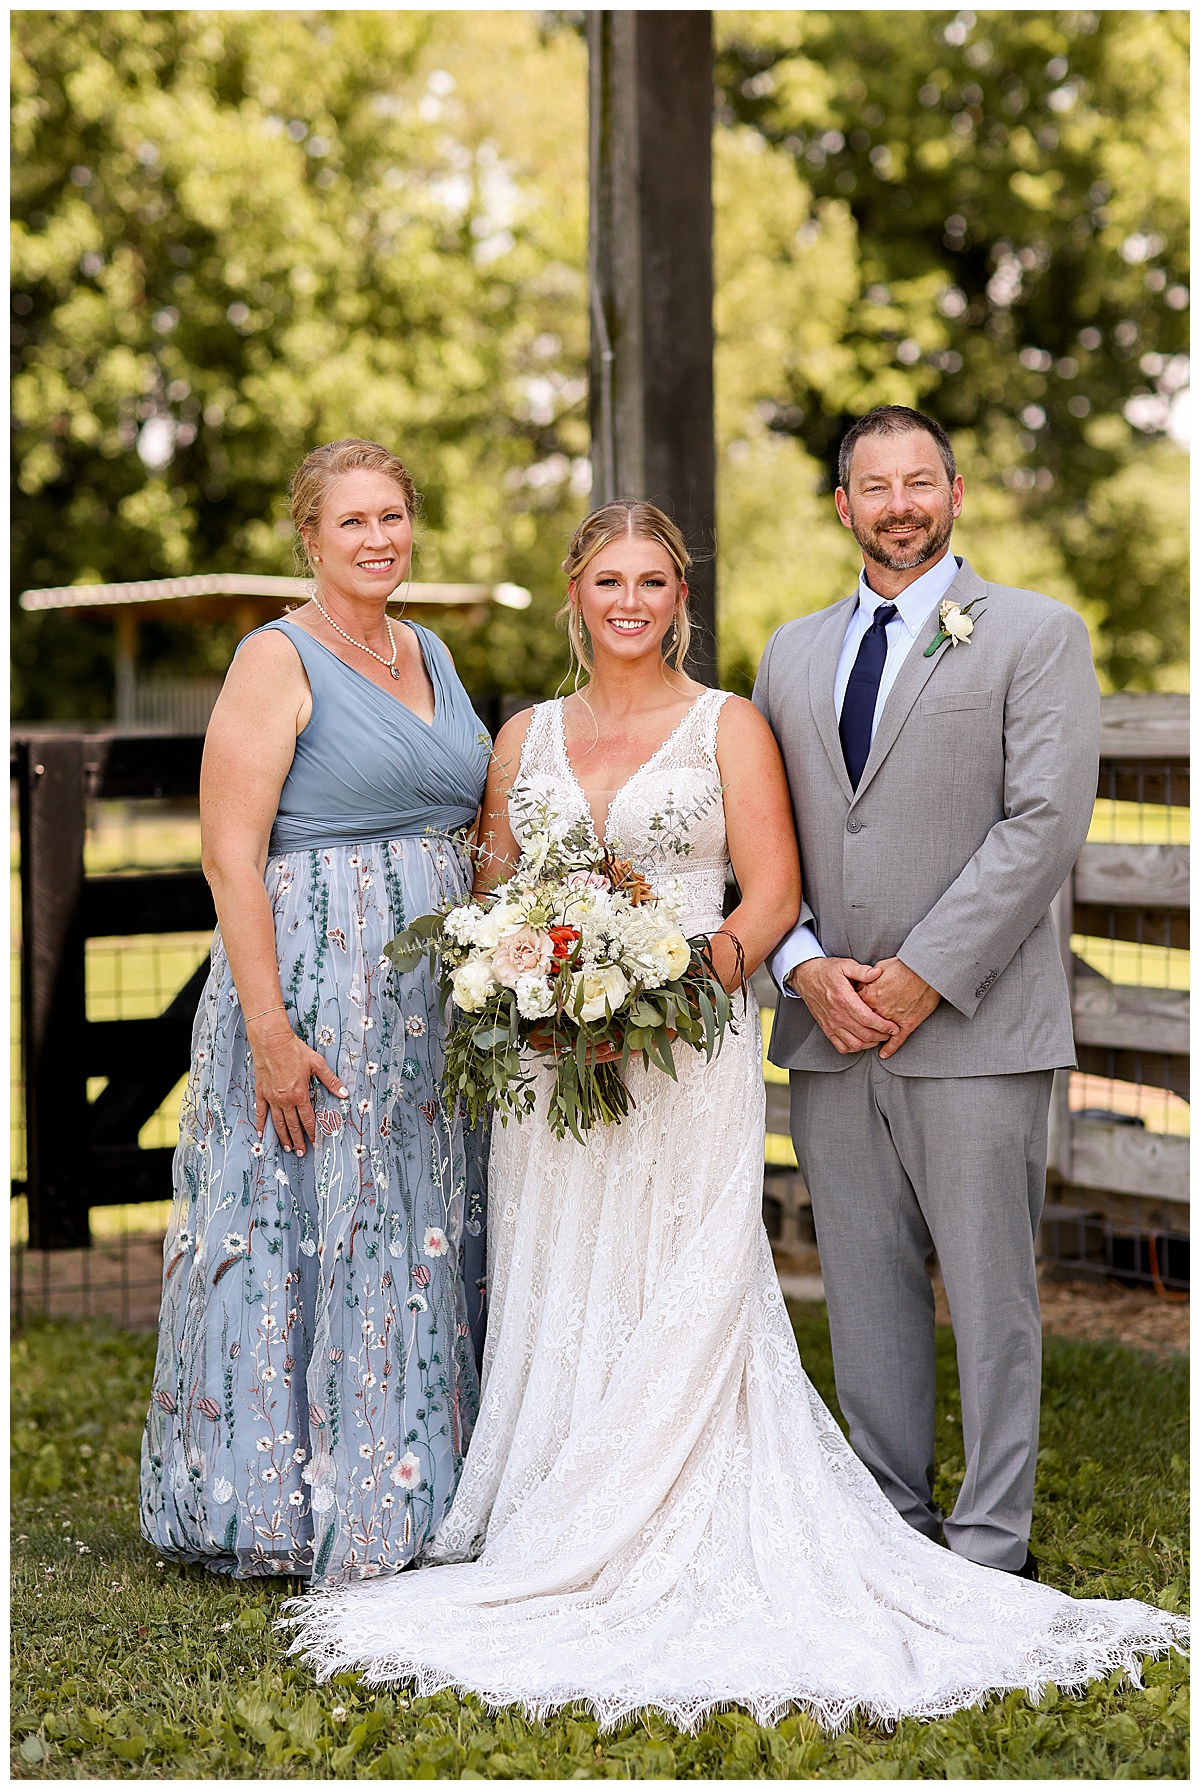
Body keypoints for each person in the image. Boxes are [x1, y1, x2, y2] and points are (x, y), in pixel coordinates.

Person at [283, 499, 1184, 1727]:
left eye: (653, 580)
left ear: (681, 599)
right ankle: (565, 1501)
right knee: (565, 1270)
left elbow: (770, 895)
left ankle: (715, 1499)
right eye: (609, 579)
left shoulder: (731, 725)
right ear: (576, 591)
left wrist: (660, 986)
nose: (631, 601)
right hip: (551, 1067)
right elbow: (494, 887)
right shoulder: (523, 735)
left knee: (683, 1274)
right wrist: (524, 979)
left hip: (682, 1052)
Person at [756, 403, 1100, 1581]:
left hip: (976, 1024)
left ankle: (991, 1544)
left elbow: (1042, 824)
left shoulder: (1037, 634)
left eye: (919, 482)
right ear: (842, 504)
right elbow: (767, 835)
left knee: (993, 1296)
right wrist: (801, 962)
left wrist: (921, 974)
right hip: (828, 1025)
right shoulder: (789, 652)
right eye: (875, 484)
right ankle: (890, 1528)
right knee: (861, 1287)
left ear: (955, 493)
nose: (898, 504)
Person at [140, 439, 490, 1586]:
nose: (377, 538)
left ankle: (420, 1481)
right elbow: (229, 857)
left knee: (417, 1223)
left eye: (392, 515)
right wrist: (269, 1033)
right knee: (314, 1226)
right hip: (315, 991)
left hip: (431, 1005)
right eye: (352, 520)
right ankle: (284, 1502)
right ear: (310, 535)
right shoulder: (273, 657)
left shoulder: (429, 648)